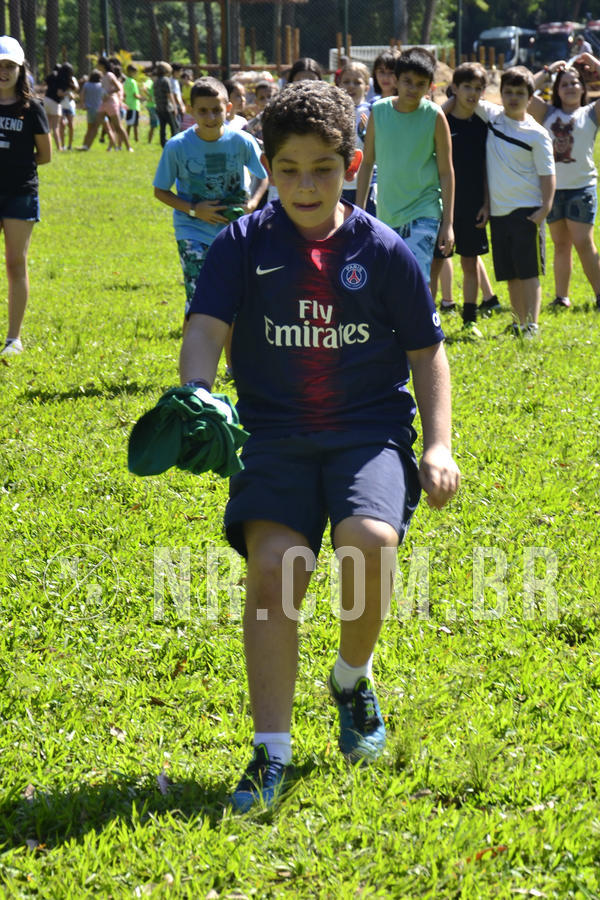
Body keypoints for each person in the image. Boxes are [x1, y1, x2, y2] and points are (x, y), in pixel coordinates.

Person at [179, 80, 460, 812]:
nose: (307, 185)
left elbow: (429, 352)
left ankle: (350, 679)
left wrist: (438, 445)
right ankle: (269, 755)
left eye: (324, 168)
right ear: (265, 168)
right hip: (274, 435)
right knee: (275, 569)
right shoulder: (243, 244)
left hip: (368, 432)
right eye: (290, 169)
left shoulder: (382, 248)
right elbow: (206, 326)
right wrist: (199, 390)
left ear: (352, 162)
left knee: (368, 541)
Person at [446, 66, 555, 336]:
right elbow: (456, 99)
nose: (514, 98)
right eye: (508, 92)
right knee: (510, 272)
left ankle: (532, 325)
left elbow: (548, 175)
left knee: (529, 271)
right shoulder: (492, 115)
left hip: (527, 211)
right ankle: (518, 323)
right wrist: (436, 111)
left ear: (531, 98)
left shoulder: (537, 134)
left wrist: (545, 208)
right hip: (498, 212)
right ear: (500, 94)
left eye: (520, 93)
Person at [153, 76, 268, 318]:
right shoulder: (177, 146)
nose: (210, 117)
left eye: (216, 110)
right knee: (198, 300)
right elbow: (160, 191)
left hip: (234, 231)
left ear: (228, 109)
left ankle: (234, 357)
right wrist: (195, 209)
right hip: (192, 231)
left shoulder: (241, 141)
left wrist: (254, 202)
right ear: (190, 110)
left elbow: (264, 174)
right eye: (203, 111)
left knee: (236, 301)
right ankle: (195, 355)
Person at [356, 47, 454, 281]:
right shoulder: (378, 112)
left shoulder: (435, 115)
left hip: (425, 210)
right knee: (391, 279)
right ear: (396, 80)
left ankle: (423, 318)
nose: (413, 88)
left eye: (420, 84)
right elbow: (367, 162)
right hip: (387, 213)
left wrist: (448, 223)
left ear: (430, 85)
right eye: (407, 81)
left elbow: (446, 172)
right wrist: (358, 213)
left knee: (416, 277)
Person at [529, 56, 600, 310]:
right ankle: (561, 297)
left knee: (583, 243)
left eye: (575, 83)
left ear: (584, 87)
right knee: (561, 245)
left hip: (581, 189)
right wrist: (548, 71)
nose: (570, 87)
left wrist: (594, 62)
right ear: (556, 90)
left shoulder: (591, 113)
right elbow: (525, 90)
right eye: (564, 84)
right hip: (554, 190)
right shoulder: (547, 113)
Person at [430, 63, 491, 334]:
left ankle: (470, 319)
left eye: (478, 88)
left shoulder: (483, 124)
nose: (472, 93)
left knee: (470, 262)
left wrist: (487, 203)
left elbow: (488, 168)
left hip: (473, 203)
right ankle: (427, 319)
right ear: (454, 88)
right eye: (466, 87)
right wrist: (447, 105)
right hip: (441, 203)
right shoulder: (441, 119)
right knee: (436, 262)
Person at [0, 36, 51, 356]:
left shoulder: (32, 108)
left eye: (9, 66)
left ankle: (12, 338)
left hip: (20, 194)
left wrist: (15, 164)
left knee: (15, 263)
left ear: (21, 70)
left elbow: (44, 155)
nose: (3, 72)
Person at [338, 60, 375, 213]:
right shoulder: (334, 111)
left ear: (366, 88)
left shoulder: (371, 111)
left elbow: (375, 149)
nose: (351, 86)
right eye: (346, 81)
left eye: (357, 82)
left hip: (366, 184)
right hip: (339, 184)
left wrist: (363, 134)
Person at [97, 56, 133, 152]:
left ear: (102, 65)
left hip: (111, 102)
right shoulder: (103, 76)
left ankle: (128, 147)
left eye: (98, 64)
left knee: (118, 127)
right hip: (104, 102)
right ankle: (111, 143)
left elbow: (118, 87)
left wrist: (107, 93)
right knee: (99, 121)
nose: (97, 66)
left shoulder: (109, 75)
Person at [154, 61, 178, 147]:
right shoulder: (166, 80)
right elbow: (169, 95)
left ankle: (163, 143)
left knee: (162, 127)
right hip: (168, 108)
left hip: (159, 108)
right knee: (174, 126)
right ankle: (174, 143)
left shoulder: (156, 81)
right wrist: (175, 107)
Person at [123, 64, 142, 142]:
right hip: (134, 106)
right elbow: (135, 95)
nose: (136, 74)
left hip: (128, 105)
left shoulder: (126, 81)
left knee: (129, 124)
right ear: (131, 72)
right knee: (135, 125)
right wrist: (142, 97)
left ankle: (126, 137)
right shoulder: (133, 82)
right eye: (135, 72)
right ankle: (136, 139)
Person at [142, 65, 158, 144]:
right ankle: (150, 141)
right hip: (151, 106)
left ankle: (150, 141)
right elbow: (144, 88)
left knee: (155, 124)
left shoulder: (155, 82)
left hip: (154, 105)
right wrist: (149, 96)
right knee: (154, 124)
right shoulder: (150, 81)